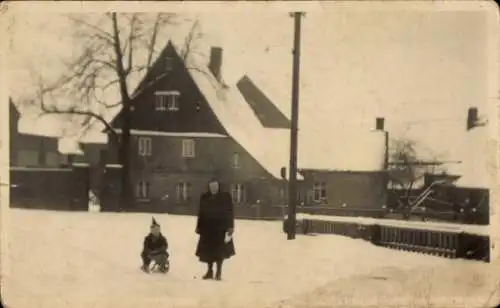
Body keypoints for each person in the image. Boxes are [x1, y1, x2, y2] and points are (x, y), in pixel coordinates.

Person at [195, 179, 235, 280]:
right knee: (208, 252)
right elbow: (201, 213)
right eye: (211, 187)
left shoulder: (225, 197)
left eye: (215, 187)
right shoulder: (205, 197)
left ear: (218, 187)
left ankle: (218, 272)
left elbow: (230, 212)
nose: (213, 189)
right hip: (207, 229)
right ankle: (209, 271)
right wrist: (199, 227)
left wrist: (230, 227)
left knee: (220, 252)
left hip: (221, 229)